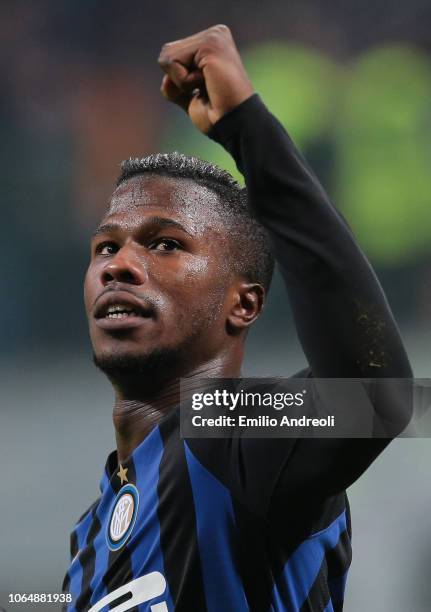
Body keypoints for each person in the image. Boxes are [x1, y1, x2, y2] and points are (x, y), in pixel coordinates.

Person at [62, 25, 412, 612]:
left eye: (165, 244)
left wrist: (247, 127)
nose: (119, 264)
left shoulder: (227, 433)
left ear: (243, 303)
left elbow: (377, 396)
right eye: (105, 247)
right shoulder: (87, 536)